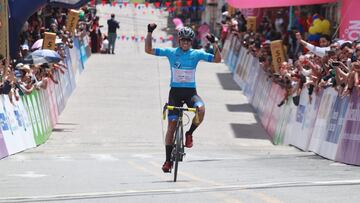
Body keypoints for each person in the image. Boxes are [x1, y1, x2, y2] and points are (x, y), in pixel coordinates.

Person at [145, 24, 221, 173]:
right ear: (179, 41)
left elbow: (218, 60)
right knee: (171, 127)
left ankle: (189, 133)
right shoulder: (171, 52)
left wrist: (214, 44)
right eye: (183, 41)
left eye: (188, 41)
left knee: (201, 109)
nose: (185, 43)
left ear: (191, 42)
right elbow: (148, 50)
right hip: (175, 93)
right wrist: (149, 32)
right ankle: (167, 161)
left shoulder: (197, 54)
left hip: (190, 93)